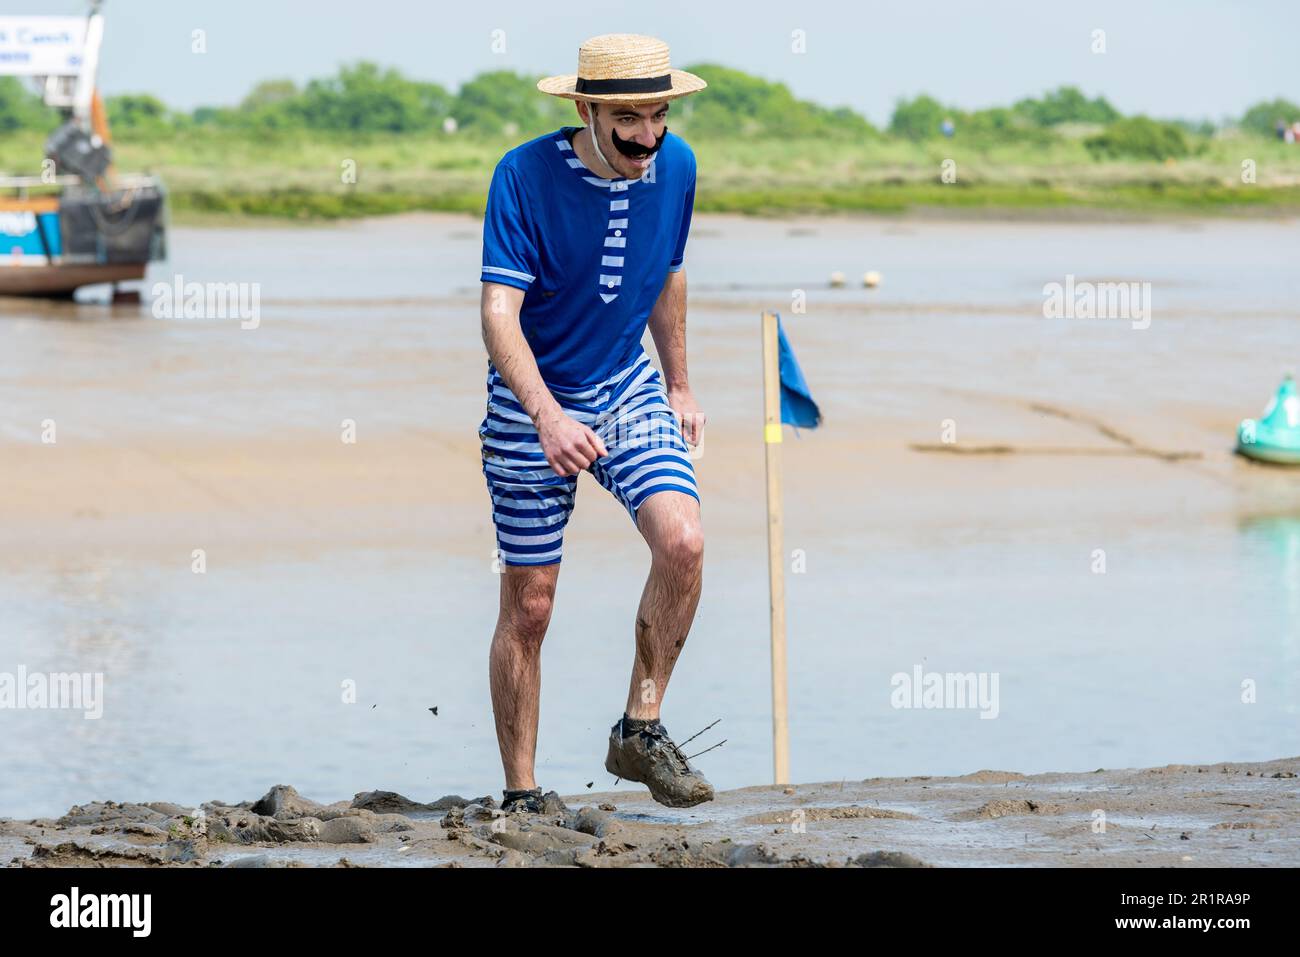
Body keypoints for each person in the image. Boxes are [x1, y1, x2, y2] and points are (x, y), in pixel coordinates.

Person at [477, 34, 714, 812]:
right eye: (628, 119)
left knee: (683, 540)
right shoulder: (522, 176)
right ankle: (522, 793)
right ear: (585, 108)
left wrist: (678, 382)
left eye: (658, 117)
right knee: (532, 605)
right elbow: (497, 313)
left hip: (628, 387)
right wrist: (545, 415)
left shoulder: (675, 168)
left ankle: (638, 729)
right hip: (529, 402)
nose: (647, 136)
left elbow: (668, 273)